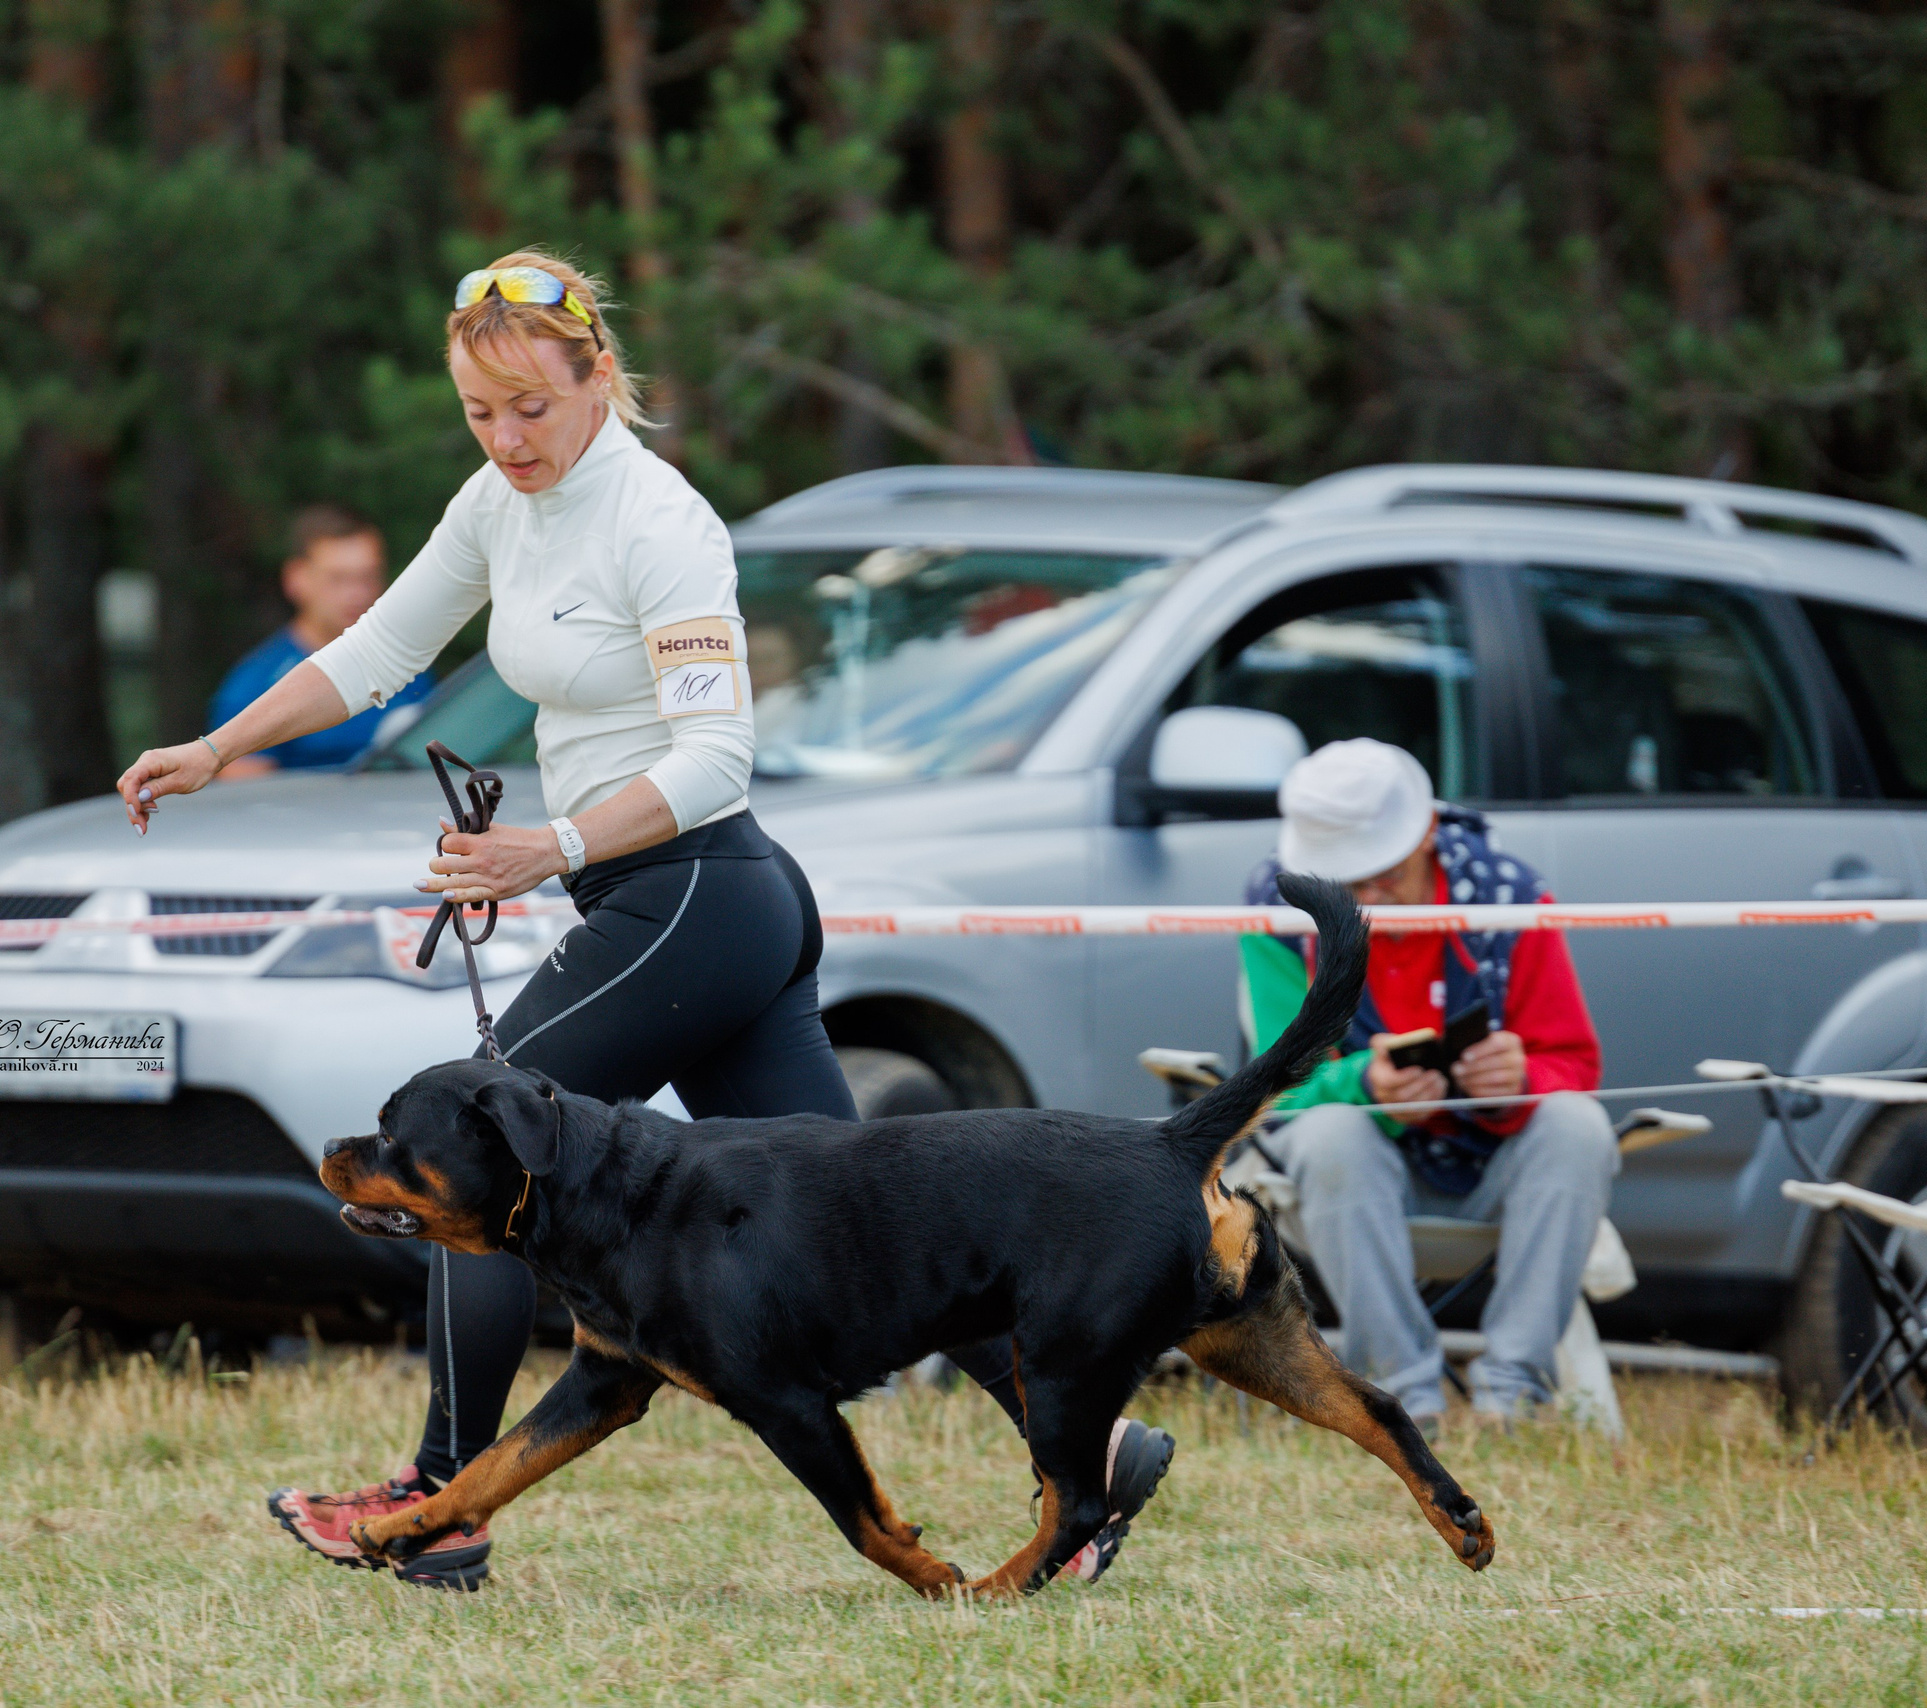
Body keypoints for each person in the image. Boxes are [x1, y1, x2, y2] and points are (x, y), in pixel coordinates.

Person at [118, 250, 1173, 1591]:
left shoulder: (663, 523)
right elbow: (378, 653)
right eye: (478, 414)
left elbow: (714, 760)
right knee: (873, 1227)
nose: (505, 440)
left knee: (484, 1158)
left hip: (701, 894)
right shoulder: (503, 503)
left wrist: (542, 845)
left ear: (597, 378)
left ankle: (444, 1503)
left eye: (530, 410)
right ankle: (1101, 1454)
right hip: (685, 906)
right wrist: (221, 746)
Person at [1239, 738, 1618, 1429]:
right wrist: (1363, 1084)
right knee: (1332, 1134)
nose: (1367, 898)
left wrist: (1520, 1078)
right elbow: (1276, 1088)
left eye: (1382, 873)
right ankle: (1401, 1402)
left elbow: (1575, 1066)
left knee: (1577, 1126)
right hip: (1347, 1181)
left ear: (1427, 836)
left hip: (1493, 1169)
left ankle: (1514, 1398)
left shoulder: (1513, 897)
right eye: (1344, 882)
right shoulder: (1276, 909)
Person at [208, 505, 436, 777]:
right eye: (338, 578)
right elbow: (247, 803)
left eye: (368, 577)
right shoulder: (254, 686)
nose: (356, 594)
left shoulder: (408, 667)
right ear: (295, 578)